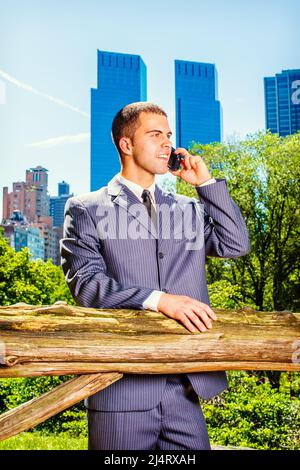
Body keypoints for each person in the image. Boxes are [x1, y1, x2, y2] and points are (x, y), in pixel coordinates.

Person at [60, 102, 250, 450]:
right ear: (126, 144)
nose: (168, 144)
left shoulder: (188, 208)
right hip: (121, 389)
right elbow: (87, 285)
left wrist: (204, 183)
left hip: (186, 386)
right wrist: (160, 301)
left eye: (169, 135)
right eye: (155, 134)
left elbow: (235, 244)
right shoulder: (86, 208)